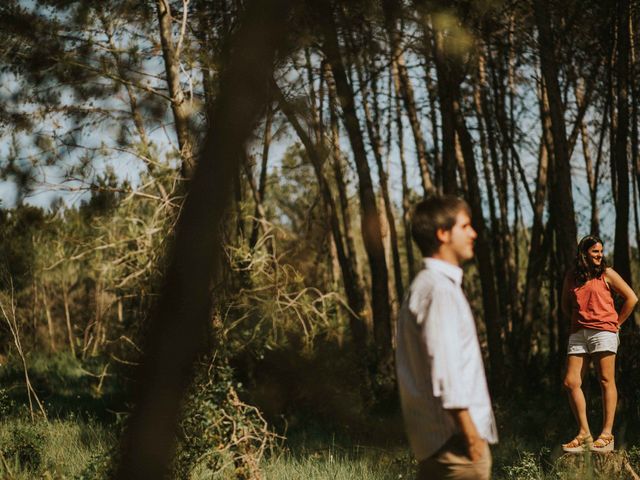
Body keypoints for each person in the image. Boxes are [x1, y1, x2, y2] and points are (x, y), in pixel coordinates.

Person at [396, 195, 498, 480]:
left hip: (441, 443)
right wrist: (472, 438)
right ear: (443, 233)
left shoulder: (428, 286)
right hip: (457, 445)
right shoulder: (438, 290)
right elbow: (447, 372)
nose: (473, 233)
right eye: (465, 226)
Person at [561, 234, 638, 453]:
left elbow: (632, 298)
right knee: (570, 382)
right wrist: (578, 319)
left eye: (601, 251)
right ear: (584, 253)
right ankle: (584, 433)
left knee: (605, 380)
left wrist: (616, 323)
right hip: (578, 333)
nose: (599, 255)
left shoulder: (607, 273)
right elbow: (565, 306)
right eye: (595, 251)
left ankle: (606, 435)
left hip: (604, 331)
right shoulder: (572, 276)